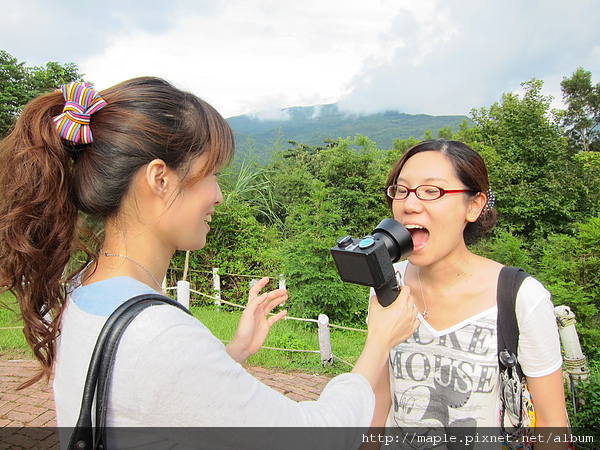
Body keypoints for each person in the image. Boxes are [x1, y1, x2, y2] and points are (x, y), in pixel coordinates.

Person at [0, 77, 419, 448]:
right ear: (159, 178)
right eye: (211, 173)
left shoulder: (85, 288)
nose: (218, 195)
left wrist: (230, 353)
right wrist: (379, 341)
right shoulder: (156, 334)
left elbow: (146, 397)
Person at [368, 140, 567, 444]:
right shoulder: (387, 283)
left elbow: (553, 424)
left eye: (431, 191)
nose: (409, 204)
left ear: (473, 206)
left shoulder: (521, 298)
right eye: (402, 190)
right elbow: (380, 399)